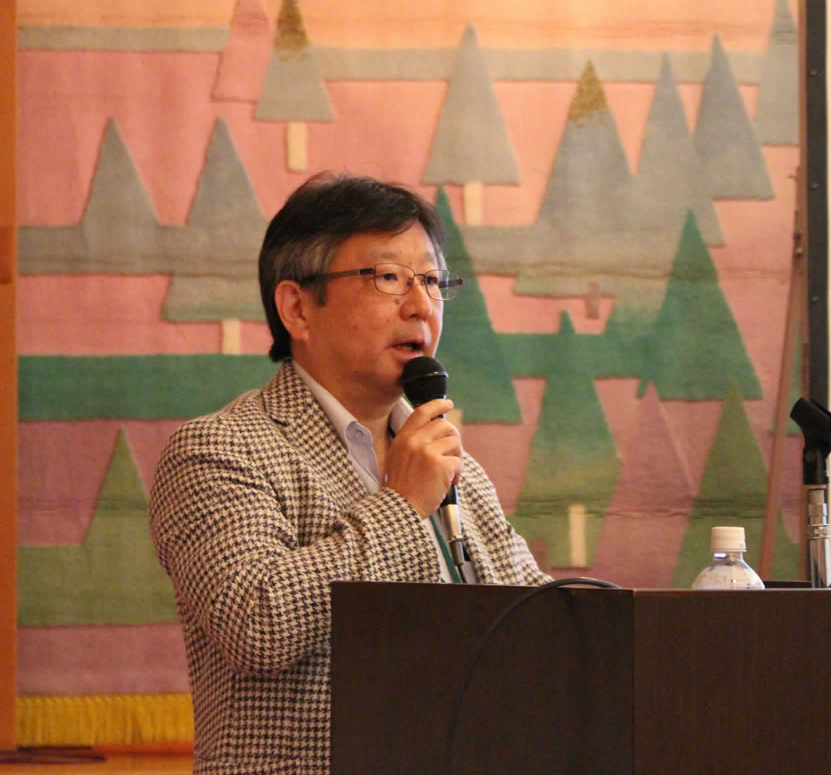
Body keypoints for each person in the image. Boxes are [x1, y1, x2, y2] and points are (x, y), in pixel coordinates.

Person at [148, 173, 549, 774]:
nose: (421, 306)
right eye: (388, 278)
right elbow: (256, 624)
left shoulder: (452, 465)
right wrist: (402, 507)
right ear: (297, 307)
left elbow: (533, 619)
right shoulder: (220, 450)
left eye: (432, 281)